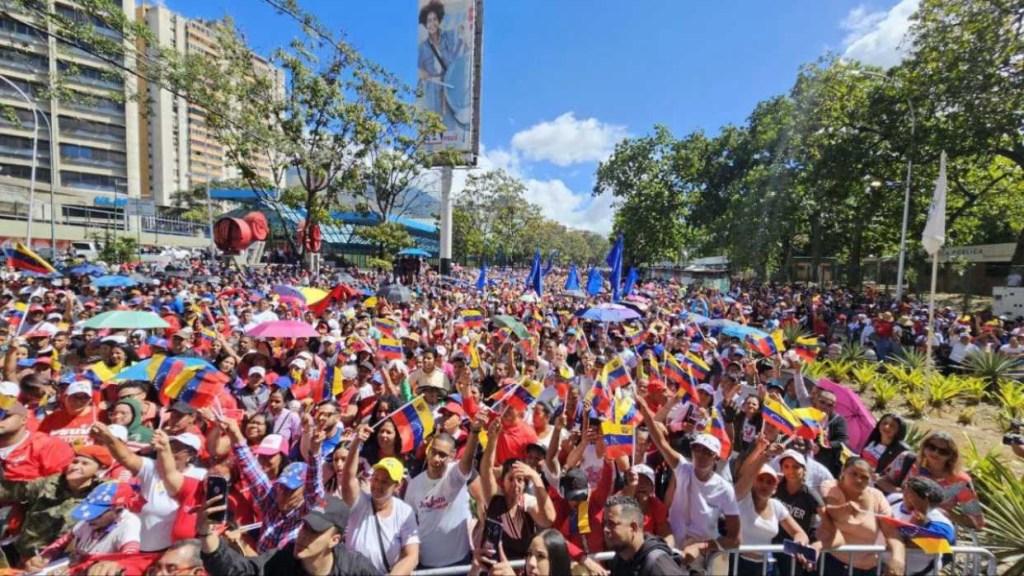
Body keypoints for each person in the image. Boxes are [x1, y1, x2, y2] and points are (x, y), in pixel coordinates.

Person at [637, 398, 740, 567]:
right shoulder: (682, 468)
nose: (700, 454)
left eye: (707, 452)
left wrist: (701, 547)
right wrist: (647, 412)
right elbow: (661, 443)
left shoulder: (725, 489)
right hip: (673, 555)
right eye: (697, 448)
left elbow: (735, 539)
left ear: (716, 457)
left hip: (703, 562)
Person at [199, 495, 381, 576]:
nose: (304, 535)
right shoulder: (282, 560)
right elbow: (238, 570)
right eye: (304, 526)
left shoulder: (356, 569)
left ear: (334, 540)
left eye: (315, 531)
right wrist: (206, 533)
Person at [0, 444, 110, 566]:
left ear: (100, 469)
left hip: (68, 560)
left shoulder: (104, 492)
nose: (76, 466)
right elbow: (16, 490)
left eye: (85, 464)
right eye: (75, 462)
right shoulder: (50, 483)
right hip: (28, 557)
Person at [342, 425, 421, 574]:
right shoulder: (360, 502)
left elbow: (412, 555)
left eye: (385, 482)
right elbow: (347, 480)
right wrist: (356, 444)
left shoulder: (404, 512)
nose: (377, 485)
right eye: (375, 478)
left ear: (398, 485)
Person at [403, 420, 480, 569]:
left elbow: (467, 460)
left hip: (459, 562)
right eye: (433, 452)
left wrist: (475, 431)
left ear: (452, 456)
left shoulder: (455, 474)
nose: (436, 459)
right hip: (426, 564)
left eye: (442, 455)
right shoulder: (414, 484)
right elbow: (408, 524)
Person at [818, 458, 906, 576]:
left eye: (864, 477)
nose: (858, 480)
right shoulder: (830, 486)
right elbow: (833, 514)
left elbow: (892, 532)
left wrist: (897, 559)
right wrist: (845, 509)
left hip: (867, 570)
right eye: (854, 474)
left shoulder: (877, 496)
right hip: (831, 565)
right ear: (843, 471)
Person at [25, 481, 142, 570]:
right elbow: (63, 542)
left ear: (117, 510)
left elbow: (130, 559)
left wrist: (96, 561)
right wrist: (45, 556)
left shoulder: (129, 523)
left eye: (97, 515)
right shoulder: (89, 520)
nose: (90, 519)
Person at [884, 431, 984, 530]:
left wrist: (944, 513)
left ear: (951, 456)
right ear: (924, 446)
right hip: (893, 517)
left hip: (931, 529)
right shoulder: (906, 460)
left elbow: (977, 522)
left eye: (943, 452)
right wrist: (902, 494)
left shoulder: (961, 482)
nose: (935, 453)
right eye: (932, 447)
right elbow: (882, 480)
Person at [604, 494, 685, 576]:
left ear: (633, 527)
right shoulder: (618, 561)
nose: (605, 529)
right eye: (605, 523)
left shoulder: (658, 565)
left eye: (611, 523)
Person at [890, 477, 956, 576]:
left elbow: (912, 545)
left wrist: (919, 518)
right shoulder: (893, 500)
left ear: (925, 498)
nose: (904, 494)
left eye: (910, 492)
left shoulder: (941, 524)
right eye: (905, 489)